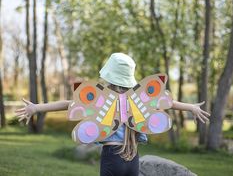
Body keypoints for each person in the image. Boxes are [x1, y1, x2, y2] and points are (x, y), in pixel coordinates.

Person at [15, 52, 210, 176]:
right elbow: (167, 102)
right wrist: (191, 107)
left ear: (108, 76)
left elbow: (68, 104)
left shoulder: (101, 99)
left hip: (111, 157)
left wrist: (36, 108)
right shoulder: (138, 99)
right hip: (132, 159)